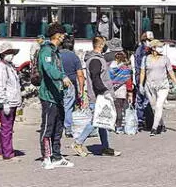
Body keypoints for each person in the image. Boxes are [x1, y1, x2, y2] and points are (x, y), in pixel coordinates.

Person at [73, 36, 121, 157]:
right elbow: (96, 78)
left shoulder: (98, 59)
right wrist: (105, 91)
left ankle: (105, 147)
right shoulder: (95, 60)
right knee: (96, 121)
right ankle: (78, 143)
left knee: (102, 122)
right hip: (99, 96)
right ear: (101, 46)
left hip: (100, 95)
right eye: (105, 45)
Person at [37, 23, 74, 170]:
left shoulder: (56, 51)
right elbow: (48, 69)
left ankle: (57, 156)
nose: (64, 37)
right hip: (48, 95)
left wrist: (64, 83)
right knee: (48, 127)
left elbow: (59, 68)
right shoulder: (46, 51)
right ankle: (46, 157)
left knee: (58, 127)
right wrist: (62, 77)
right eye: (63, 34)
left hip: (58, 95)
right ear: (57, 35)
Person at [139, 40, 176, 136]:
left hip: (163, 86)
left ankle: (154, 128)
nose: (161, 48)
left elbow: (170, 72)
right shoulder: (145, 59)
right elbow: (142, 72)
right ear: (153, 48)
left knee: (159, 105)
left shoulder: (165, 59)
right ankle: (162, 124)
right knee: (154, 108)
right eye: (159, 46)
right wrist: (141, 84)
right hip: (149, 86)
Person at [0, 43, 22, 162]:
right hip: (7, 102)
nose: (11, 55)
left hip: (12, 101)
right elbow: (0, 86)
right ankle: (8, 154)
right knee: (7, 129)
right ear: (3, 54)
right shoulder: (1, 67)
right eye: (9, 53)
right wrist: (3, 102)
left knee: (6, 128)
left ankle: (1, 151)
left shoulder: (9, 66)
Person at [60, 35, 85, 138]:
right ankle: (68, 128)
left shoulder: (57, 54)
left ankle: (58, 127)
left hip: (57, 83)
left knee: (58, 105)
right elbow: (80, 74)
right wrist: (81, 89)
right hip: (70, 84)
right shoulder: (74, 57)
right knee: (68, 107)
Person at [134, 31, 154, 129]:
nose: (150, 42)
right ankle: (141, 120)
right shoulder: (141, 51)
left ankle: (146, 120)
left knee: (146, 100)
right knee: (142, 101)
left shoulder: (150, 50)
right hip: (141, 79)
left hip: (148, 78)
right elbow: (140, 67)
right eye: (148, 40)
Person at [109, 52, 133, 132]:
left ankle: (112, 125)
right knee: (120, 109)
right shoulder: (125, 69)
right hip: (122, 91)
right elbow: (128, 81)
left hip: (112, 91)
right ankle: (118, 126)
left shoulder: (111, 68)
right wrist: (130, 93)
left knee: (114, 109)